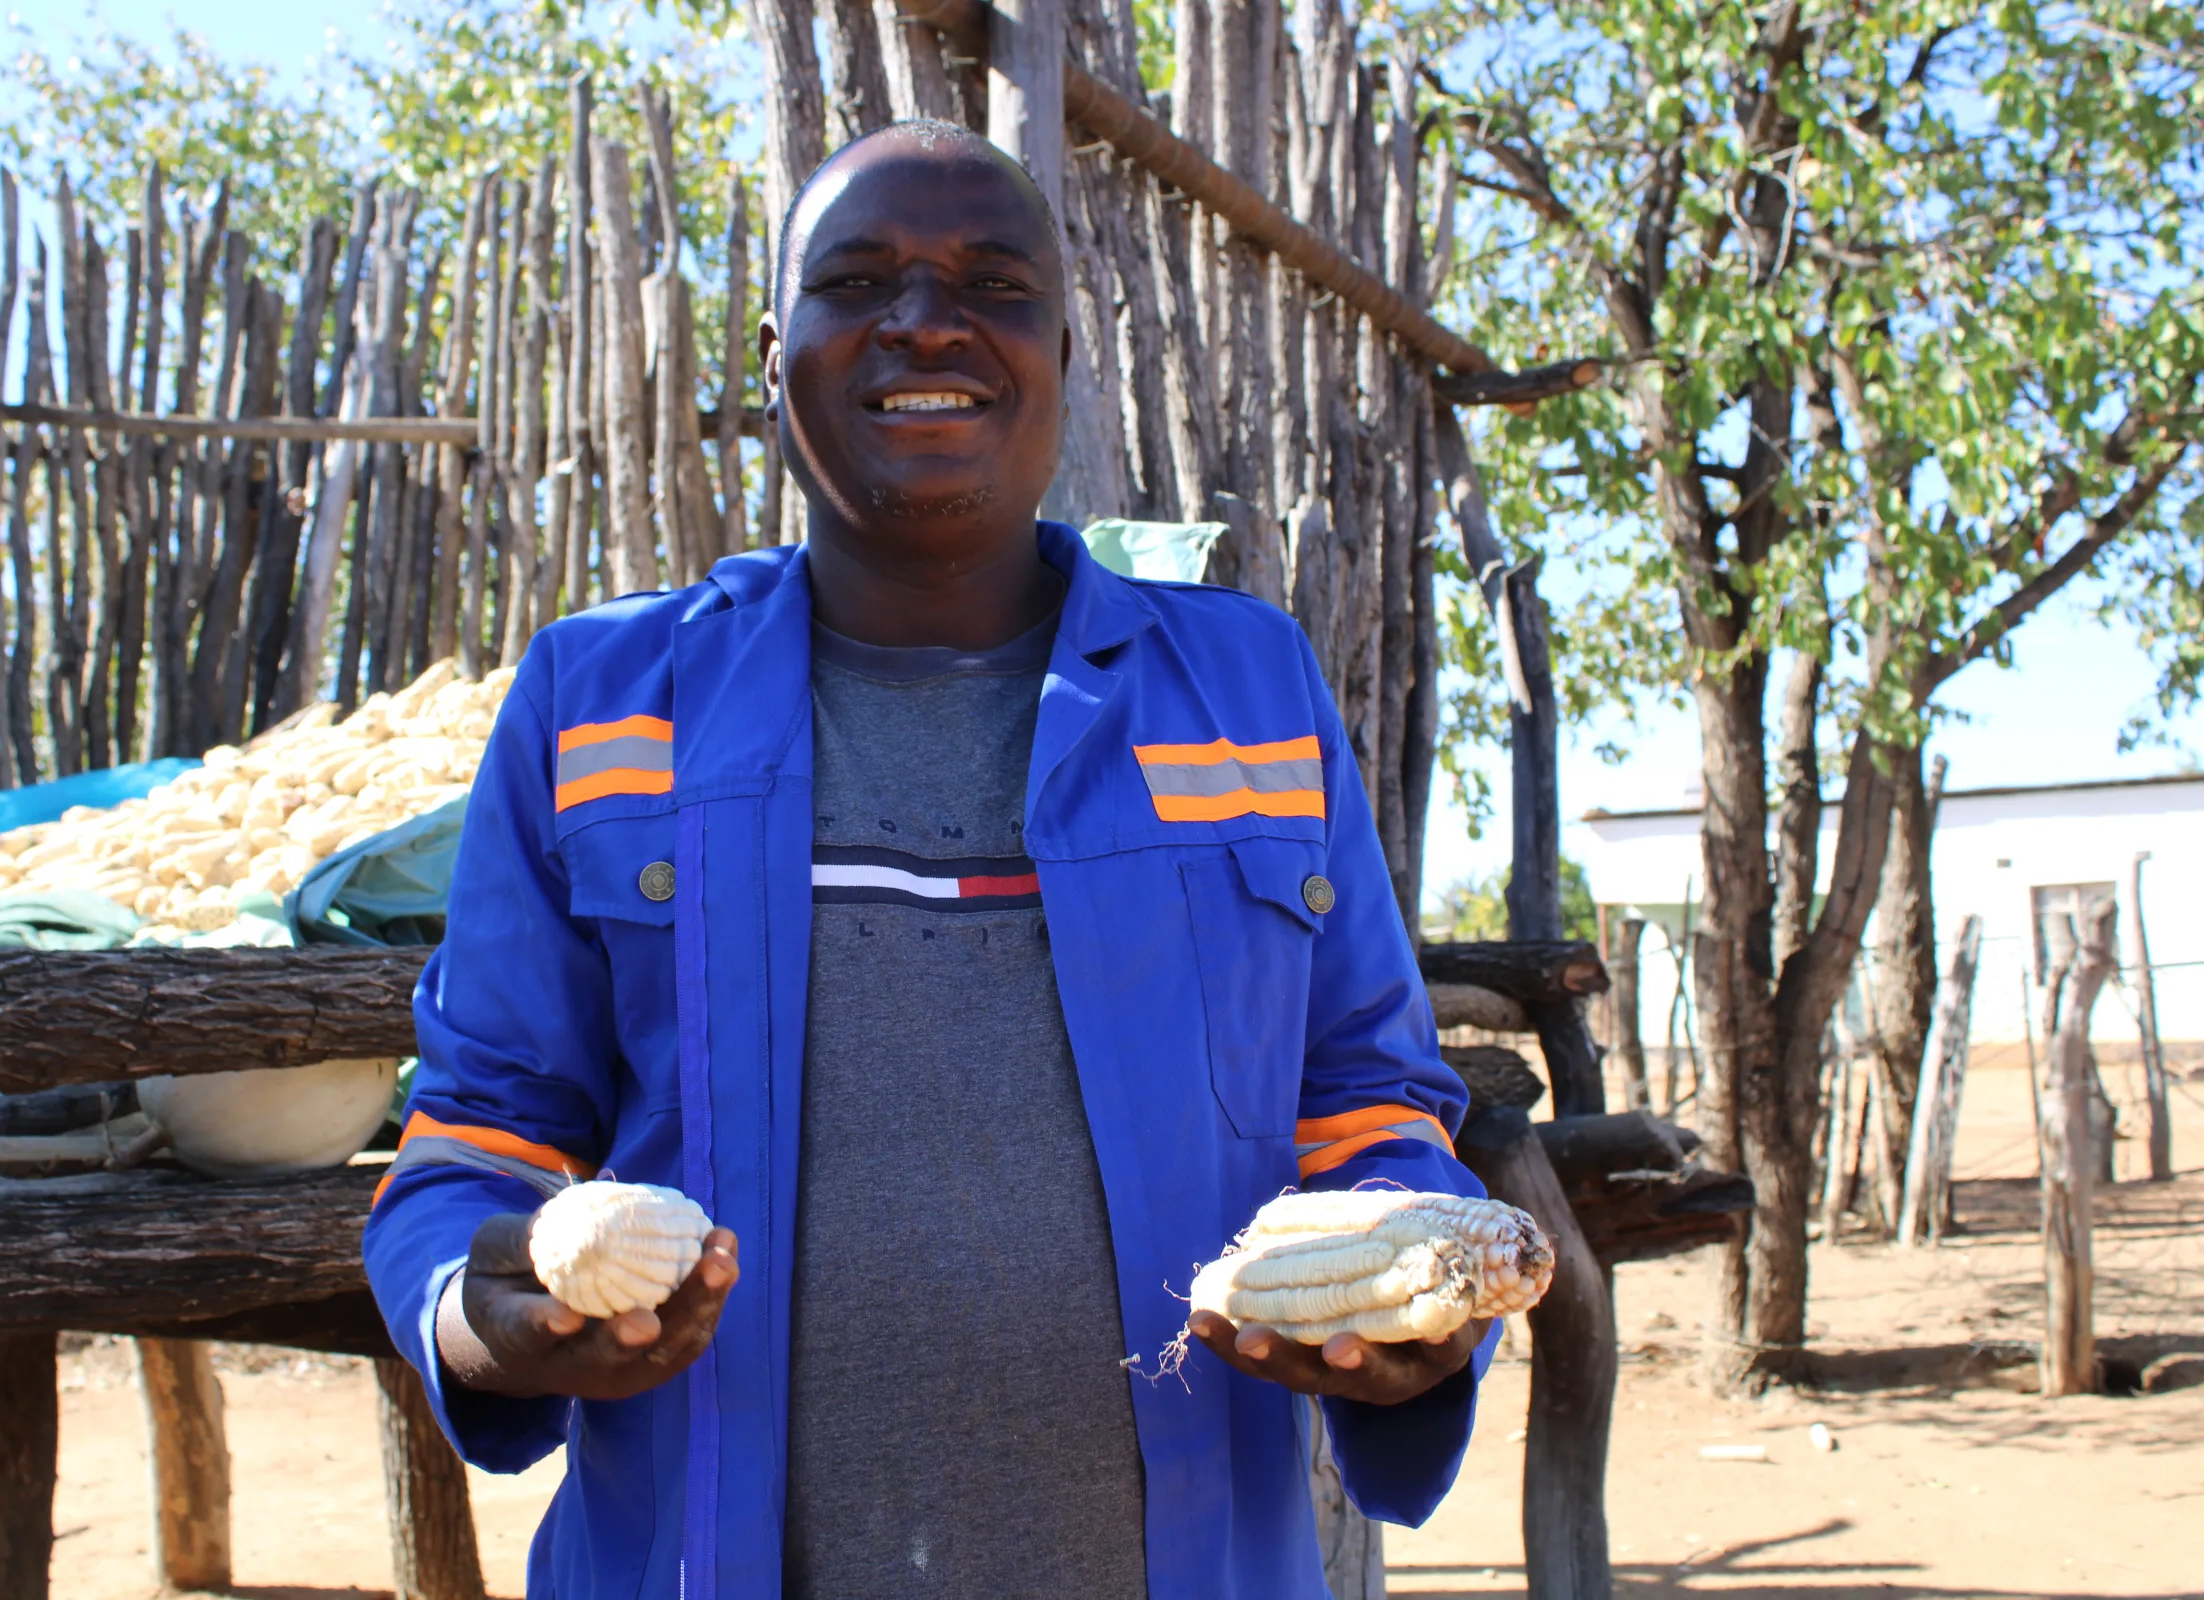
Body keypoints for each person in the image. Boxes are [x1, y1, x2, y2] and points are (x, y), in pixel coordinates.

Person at [363, 120, 1494, 1600]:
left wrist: (1406, 1302)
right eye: (860, 279)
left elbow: (1364, 1097)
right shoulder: (601, 704)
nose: (926, 319)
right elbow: (478, 1136)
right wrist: (477, 1313)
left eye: (992, 280)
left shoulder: (1250, 691)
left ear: (1065, 352)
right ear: (777, 356)